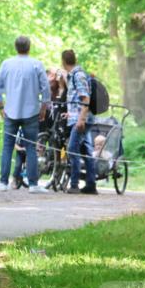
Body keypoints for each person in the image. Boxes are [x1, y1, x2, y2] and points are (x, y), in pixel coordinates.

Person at [0, 36, 50, 193]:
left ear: (15, 47)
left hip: (10, 111)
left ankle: (3, 182)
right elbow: (46, 88)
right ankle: (33, 184)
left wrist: (1, 107)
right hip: (31, 111)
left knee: (7, 147)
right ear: (29, 47)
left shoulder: (7, 64)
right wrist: (44, 108)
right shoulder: (36, 64)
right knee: (31, 147)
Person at [61, 49, 97, 195]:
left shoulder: (78, 75)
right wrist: (70, 113)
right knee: (86, 151)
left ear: (63, 61)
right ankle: (91, 185)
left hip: (81, 120)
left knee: (72, 149)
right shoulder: (74, 75)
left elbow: (85, 98)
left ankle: (74, 185)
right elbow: (77, 100)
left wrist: (81, 119)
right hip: (79, 117)